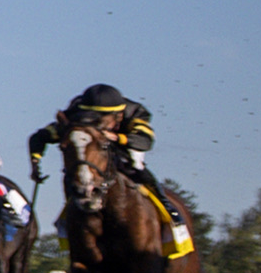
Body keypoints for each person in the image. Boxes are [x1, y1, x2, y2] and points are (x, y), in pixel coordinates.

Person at [28, 83, 172, 217]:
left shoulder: (134, 113)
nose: (94, 120)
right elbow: (39, 137)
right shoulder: (76, 114)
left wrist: (117, 138)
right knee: (74, 171)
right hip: (92, 145)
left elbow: (145, 141)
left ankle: (167, 206)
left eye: (101, 118)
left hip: (126, 143)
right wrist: (35, 162)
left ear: (118, 115)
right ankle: (68, 219)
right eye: (90, 115)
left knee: (135, 165)